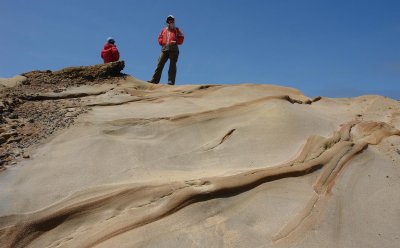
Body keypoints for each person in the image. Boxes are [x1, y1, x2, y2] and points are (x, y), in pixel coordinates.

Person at [149, 15, 184, 85]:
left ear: (173, 21)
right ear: (167, 21)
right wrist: (161, 42)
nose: (170, 21)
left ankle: (170, 81)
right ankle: (154, 80)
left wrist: (176, 41)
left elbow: (182, 37)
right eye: (169, 20)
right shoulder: (164, 30)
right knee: (159, 64)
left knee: (172, 65)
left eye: (171, 20)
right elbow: (160, 37)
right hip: (164, 48)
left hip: (174, 49)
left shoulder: (177, 29)